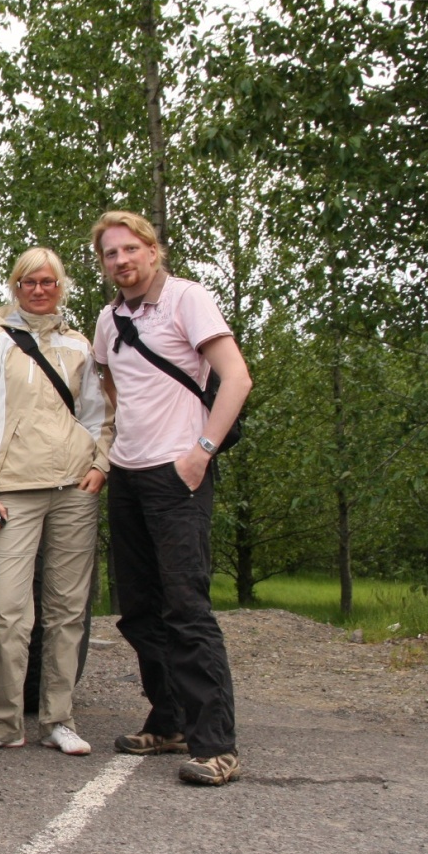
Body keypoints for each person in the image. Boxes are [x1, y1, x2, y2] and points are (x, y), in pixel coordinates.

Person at [89, 210, 252, 786]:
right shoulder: (110, 320)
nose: (122, 261)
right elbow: (110, 383)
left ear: (153, 251)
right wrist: (116, 450)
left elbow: (236, 377)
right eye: (111, 254)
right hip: (128, 474)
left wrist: (201, 449)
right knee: (138, 610)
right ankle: (170, 720)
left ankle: (216, 746)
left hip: (178, 473)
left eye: (131, 249)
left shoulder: (189, 300)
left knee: (186, 609)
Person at [0, 247, 113, 756]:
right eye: (29, 282)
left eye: (48, 281)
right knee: (7, 608)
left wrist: (99, 465)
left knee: (67, 610)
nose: (40, 289)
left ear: (60, 287)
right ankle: (2, 721)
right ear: (16, 286)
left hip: (74, 489)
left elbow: (99, 413)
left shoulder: (78, 346)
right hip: (11, 489)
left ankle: (58, 719)